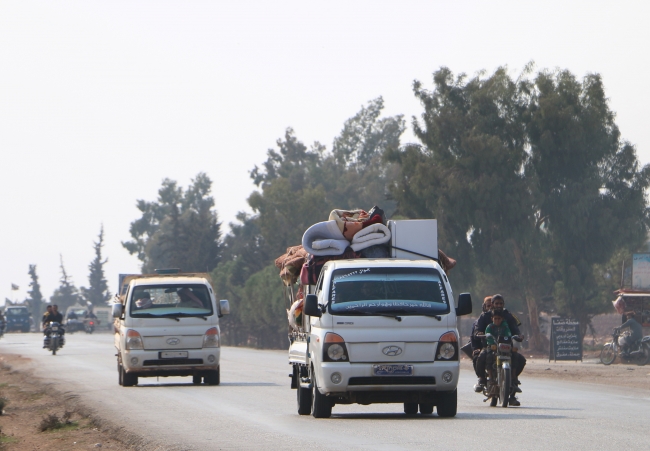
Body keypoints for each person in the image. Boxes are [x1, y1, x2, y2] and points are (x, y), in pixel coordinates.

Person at [473, 294, 526, 398]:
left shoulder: (508, 316)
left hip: (506, 346)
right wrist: (479, 333)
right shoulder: (485, 316)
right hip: (490, 346)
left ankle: (513, 383)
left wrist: (519, 335)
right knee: (481, 357)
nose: (499, 305)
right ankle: (482, 379)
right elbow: (477, 328)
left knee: (520, 359)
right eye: (496, 303)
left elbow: (515, 329)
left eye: (501, 303)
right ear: (492, 304)